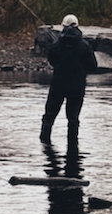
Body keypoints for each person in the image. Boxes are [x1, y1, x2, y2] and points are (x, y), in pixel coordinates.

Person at [40, 14, 97, 146]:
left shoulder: (56, 44)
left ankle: (44, 145)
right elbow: (93, 66)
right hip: (77, 86)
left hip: (58, 85)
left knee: (49, 117)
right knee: (73, 118)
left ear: (63, 26)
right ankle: (72, 147)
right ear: (77, 26)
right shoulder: (85, 45)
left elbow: (52, 60)